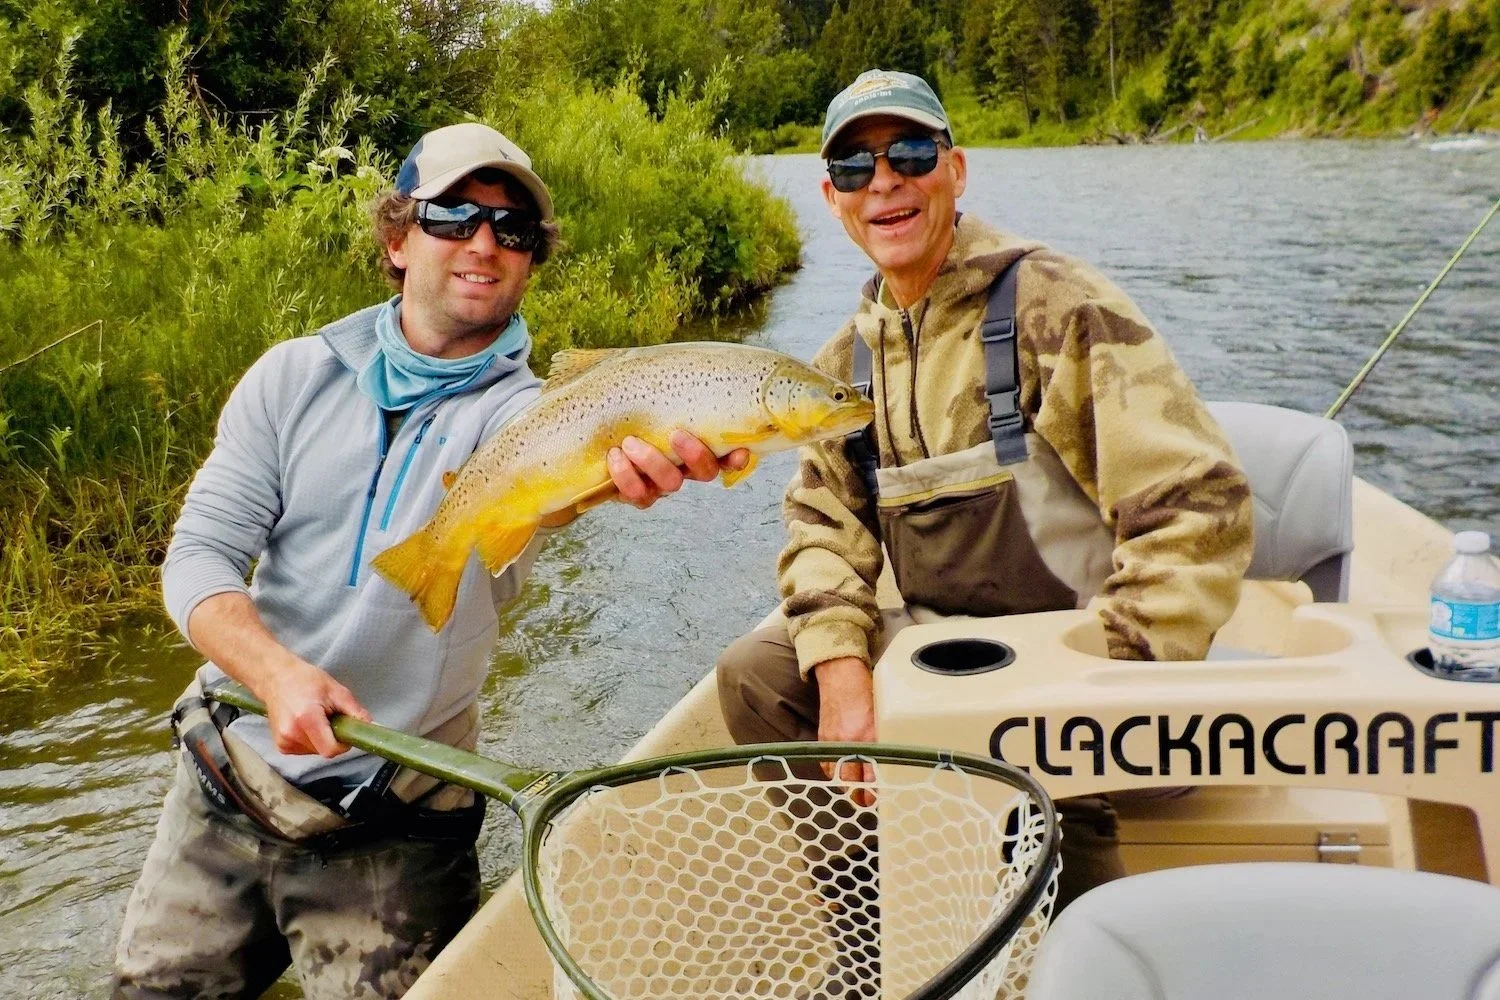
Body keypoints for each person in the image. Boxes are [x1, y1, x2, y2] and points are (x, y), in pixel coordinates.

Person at [113, 122, 747, 999]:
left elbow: (549, 494)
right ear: (398, 237)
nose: (485, 243)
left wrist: (611, 482)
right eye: (455, 216)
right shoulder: (290, 377)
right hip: (224, 779)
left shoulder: (535, 416)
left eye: (513, 229)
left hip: (401, 820)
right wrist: (277, 673)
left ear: (530, 260)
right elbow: (198, 558)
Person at [716, 70, 1255, 911]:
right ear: (832, 197)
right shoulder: (842, 366)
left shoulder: (1058, 305)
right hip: (942, 653)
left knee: (1058, 918)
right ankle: (877, 929)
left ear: (955, 169)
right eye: (855, 167)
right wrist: (841, 669)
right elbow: (820, 525)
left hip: (1084, 665)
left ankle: (1080, 915)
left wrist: (1106, 682)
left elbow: (1198, 506)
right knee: (759, 675)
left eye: (910, 152)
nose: (884, 181)